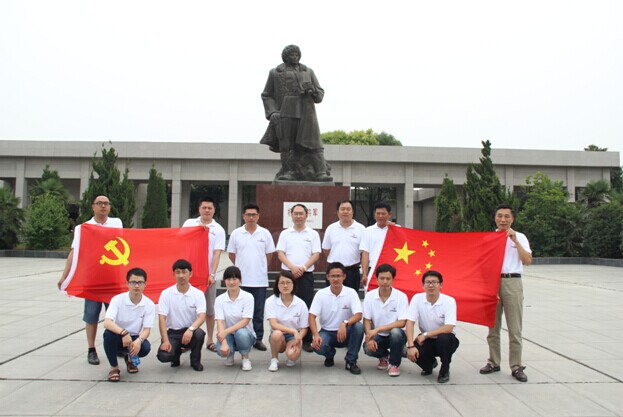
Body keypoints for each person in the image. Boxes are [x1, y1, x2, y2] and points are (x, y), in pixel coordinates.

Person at [57, 195, 123, 365]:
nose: (103, 206)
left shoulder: (117, 223)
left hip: (112, 279)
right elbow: (74, 252)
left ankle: (118, 346)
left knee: (115, 315)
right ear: (93, 206)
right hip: (92, 279)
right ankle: (91, 349)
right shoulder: (83, 228)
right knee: (91, 315)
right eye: (99, 203)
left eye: (106, 203)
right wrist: (65, 276)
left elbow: (125, 244)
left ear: (110, 207)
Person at [260, 44, 332, 182]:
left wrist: (313, 91)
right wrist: (272, 112)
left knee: (314, 143)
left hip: (306, 112)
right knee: (287, 144)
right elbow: (267, 95)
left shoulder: (308, 71)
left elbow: (320, 94)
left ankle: (320, 171)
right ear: (285, 57)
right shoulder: (275, 73)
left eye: (297, 55)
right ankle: (289, 171)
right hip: (285, 112)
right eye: (292, 55)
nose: (295, 57)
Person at [480, 204, 532, 382]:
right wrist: (488, 286)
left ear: (512, 219)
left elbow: (527, 260)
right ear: (495, 218)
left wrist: (515, 241)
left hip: (512, 282)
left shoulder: (520, 237)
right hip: (492, 282)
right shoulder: (489, 238)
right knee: (492, 327)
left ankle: (516, 366)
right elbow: (483, 263)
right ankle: (493, 362)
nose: (503, 220)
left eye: (506, 216)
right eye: (499, 216)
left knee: (514, 328)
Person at [227, 203, 275, 352]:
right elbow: (231, 254)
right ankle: (242, 338)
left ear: (258, 216)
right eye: (248, 215)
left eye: (254, 215)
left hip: (259, 281)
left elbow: (269, 254)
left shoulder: (265, 233)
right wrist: (241, 268)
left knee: (258, 312)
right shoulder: (236, 233)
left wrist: (260, 267)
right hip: (241, 281)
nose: (251, 217)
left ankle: (258, 339)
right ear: (243, 216)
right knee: (241, 312)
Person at [182, 196, 225, 353]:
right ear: (199, 209)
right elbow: (181, 243)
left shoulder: (218, 229)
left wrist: (212, 274)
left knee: (209, 309)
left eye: (210, 208)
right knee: (188, 308)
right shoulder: (189, 224)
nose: (207, 210)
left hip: (207, 276)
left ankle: (210, 339)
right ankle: (186, 338)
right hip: (189, 275)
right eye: (204, 208)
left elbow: (217, 254)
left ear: (214, 210)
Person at [276, 203, 321, 352]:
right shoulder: (285, 233)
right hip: (287, 274)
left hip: (306, 274)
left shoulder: (313, 234)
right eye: (296, 213)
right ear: (291, 215)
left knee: (306, 307)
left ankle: (306, 340)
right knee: (285, 304)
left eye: (301, 213)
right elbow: (280, 253)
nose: (298, 216)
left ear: (307, 215)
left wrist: (303, 268)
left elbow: (316, 254)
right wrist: (292, 267)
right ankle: (284, 336)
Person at [309, 262, 365, 375]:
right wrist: (316, 335)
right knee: (318, 346)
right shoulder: (321, 294)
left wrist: (345, 323)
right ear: (327, 277)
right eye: (333, 276)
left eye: (338, 276)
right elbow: (311, 316)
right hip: (327, 332)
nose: (335, 279)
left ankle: (351, 361)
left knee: (359, 327)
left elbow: (358, 315)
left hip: (346, 331)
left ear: (344, 277)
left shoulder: (351, 292)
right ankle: (330, 355)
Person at [406, 270, 460, 384]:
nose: (431, 285)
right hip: (427, 340)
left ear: (441, 285)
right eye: (428, 282)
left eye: (434, 282)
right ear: (423, 285)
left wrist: (425, 334)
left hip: (446, 339)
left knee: (443, 338)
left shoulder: (449, 301)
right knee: (412, 351)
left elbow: (449, 327)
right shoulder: (417, 298)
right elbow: (410, 322)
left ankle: (445, 370)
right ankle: (429, 364)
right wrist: (410, 346)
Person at [102, 267, 155, 382]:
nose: (136, 286)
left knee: (145, 348)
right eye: (133, 282)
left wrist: (139, 341)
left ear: (145, 284)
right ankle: (114, 367)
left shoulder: (149, 304)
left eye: (140, 282)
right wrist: (123, 333)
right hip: (118, 334)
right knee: (108, 335)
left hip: (134, 336)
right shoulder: (117, 299)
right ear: (127, 283)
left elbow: (147, 329)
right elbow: (107, 322)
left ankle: (130, 359)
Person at [156, 259, 206, 372]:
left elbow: (202, 316)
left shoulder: (198, 294)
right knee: (164, 356)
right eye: (178, 272)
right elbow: (162, 319)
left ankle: (195, 361)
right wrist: (165, 340)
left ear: (190, 274)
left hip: (190, 331)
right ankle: (175, 355)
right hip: (173, 332)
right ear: (173, 274)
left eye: (184, 272)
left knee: (199, 334)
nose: (181, 275)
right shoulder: (166, 293)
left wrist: (191, 329)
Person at [362, 264, 408, 377]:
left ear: (393, 279)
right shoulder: (370, 296)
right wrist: (369, 337)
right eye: (382, 278)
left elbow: (402, 322)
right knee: (367, 348)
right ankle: (384, 356)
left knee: (395, 332)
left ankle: (394, 364)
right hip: (379, 335)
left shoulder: (401, 296)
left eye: (388, 278)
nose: (385, 281)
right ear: (377, 279)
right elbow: (366, 320)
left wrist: (378, 329)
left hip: (397, 335)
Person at [264, 271, 309, 371]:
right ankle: (274, 359)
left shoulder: (300, 303)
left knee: (292, 355)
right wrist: (293, 331)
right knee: (277, 334)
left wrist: (299, 338)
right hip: (278, 334)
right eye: (282, 283)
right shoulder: (270, 301)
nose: (285, 285)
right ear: (277, 285)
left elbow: (304, 327)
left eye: (288, 282)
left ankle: (291, 356)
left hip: (294, 336)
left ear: (293, 284)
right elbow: (273, 324)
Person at [214, 266, 256, 371]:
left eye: (234, 279)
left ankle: (245, 358)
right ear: (224, 281)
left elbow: (245, 321)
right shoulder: (219, 299)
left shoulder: (248, 297)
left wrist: (225, 332)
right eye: (228, 279)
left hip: (245, 333)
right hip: (228, 335)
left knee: (241, 333)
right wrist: (223, 342)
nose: (231, 282)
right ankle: (230, 355)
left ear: (240, 280)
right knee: (220, 350)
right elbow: (220, 322)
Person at [322, 200, 365, 293]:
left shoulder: (361, 229)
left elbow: (364, 252)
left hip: (352, 271)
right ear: (338, 212)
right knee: (331, 297)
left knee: (351, 298)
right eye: (342, 209)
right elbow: (326, 250)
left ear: (353, 212)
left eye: (348, 209)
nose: (345, 211)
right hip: (333, 271)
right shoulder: (331, 228)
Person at [360, 202, 393, 288]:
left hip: (392, 270)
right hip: (373, 269)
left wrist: (394, 227)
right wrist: (364, 273)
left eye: (383, 214)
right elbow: (365, 253)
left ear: (389, 214)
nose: (380, 216)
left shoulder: (397, 229)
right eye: (378, 213)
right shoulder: (367, 231)